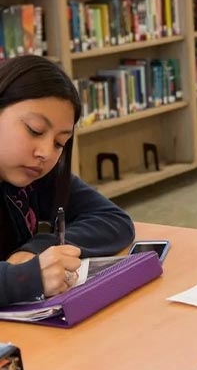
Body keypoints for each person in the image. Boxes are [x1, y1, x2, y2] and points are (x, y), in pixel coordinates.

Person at [0, 56, 135, 307]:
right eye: (35, 130)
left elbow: (113, 220)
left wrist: (37, 249)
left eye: (59, 143)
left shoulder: (35, 173)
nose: (46, 153)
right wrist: (23, 277)